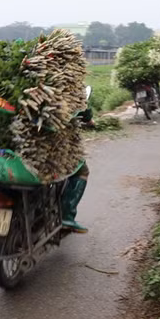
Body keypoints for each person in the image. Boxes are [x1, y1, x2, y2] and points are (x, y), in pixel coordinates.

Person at [61, 87, 94, 233]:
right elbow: (85, 113)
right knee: (82, 170)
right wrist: (90, 120)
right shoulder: (69, 88)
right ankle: (67, 216)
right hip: (56, 147)